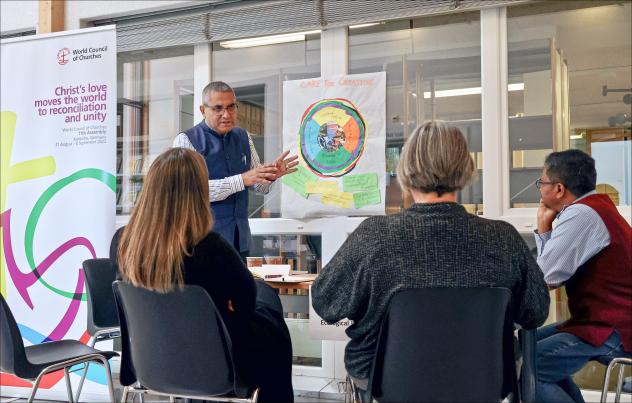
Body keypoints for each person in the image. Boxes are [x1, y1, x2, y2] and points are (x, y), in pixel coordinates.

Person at [311, 120, 550, 392]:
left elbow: (326, 301)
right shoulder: (503, 238)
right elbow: (536, 312)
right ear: (466, 168)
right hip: (485, 378)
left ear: (405, 168)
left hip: (386, 380)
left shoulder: (374, 236)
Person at [111, 147, 294, 403]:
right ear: (198, 193)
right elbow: (245, 305)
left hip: (153, 361)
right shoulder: (210, 247)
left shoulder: (123, 242)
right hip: (216, 365)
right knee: (267, 304)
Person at [534, 149, 632, 403]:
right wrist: (546, 228)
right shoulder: (596, 207)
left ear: (558, 188)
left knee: (528, 366)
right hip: (601, 321)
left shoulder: (582, 215)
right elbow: (550, 274)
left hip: (613, 328)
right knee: (523, 349)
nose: (539, 189)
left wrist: (544, 228)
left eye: (541, 182)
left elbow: (545, 277)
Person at [173, 81, 298, 259]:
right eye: (218, 108)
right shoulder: (185, 141)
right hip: (201, 242)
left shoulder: (243, 137)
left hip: (240, 240)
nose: (226, 114)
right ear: (203, 110)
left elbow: (259, 188)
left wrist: (270, 176)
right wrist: (242, 180)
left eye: (231, 107)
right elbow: (192, 192)